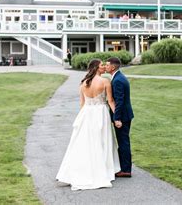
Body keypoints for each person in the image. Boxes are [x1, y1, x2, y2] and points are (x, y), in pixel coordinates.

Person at [55, 59, 120, 190]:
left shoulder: (83, 83)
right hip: (100, 112)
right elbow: (111, 101)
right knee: (102, 140)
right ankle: (103, 168)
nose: (103, 67)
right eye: (101, 65)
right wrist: (117, 118)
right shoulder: (105, 81)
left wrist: (82, 118)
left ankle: (83, 168)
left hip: (86, 114)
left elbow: (82, 104)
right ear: (96, 67)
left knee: (85, 141)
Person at [105, 57, 134, 177]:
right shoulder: (118, 77)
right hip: (125, 114)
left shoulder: (117, 80)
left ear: (112, 67)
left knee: (123, 142)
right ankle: (124, 167)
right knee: (123, 141)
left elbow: (119, 101)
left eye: (107, 65)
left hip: (122, 116)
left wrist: (117, 118)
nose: (105, 66)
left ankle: (126, 170)